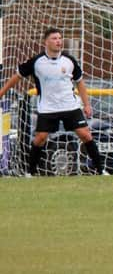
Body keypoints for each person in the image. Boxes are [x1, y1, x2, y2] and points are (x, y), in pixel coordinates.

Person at [0, 27, 104, 175]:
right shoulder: (37, 62)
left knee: (86, 135)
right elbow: (17, 76)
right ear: (46, 42)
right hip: (48, 108)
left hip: (70, 106)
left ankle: (101, 170)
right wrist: (2, 92)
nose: (58, 41)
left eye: (60, 38)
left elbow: (80, 82)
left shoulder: (69, 61)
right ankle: (30, 172)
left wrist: (86, 105)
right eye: (54, 39)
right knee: (40, 138)